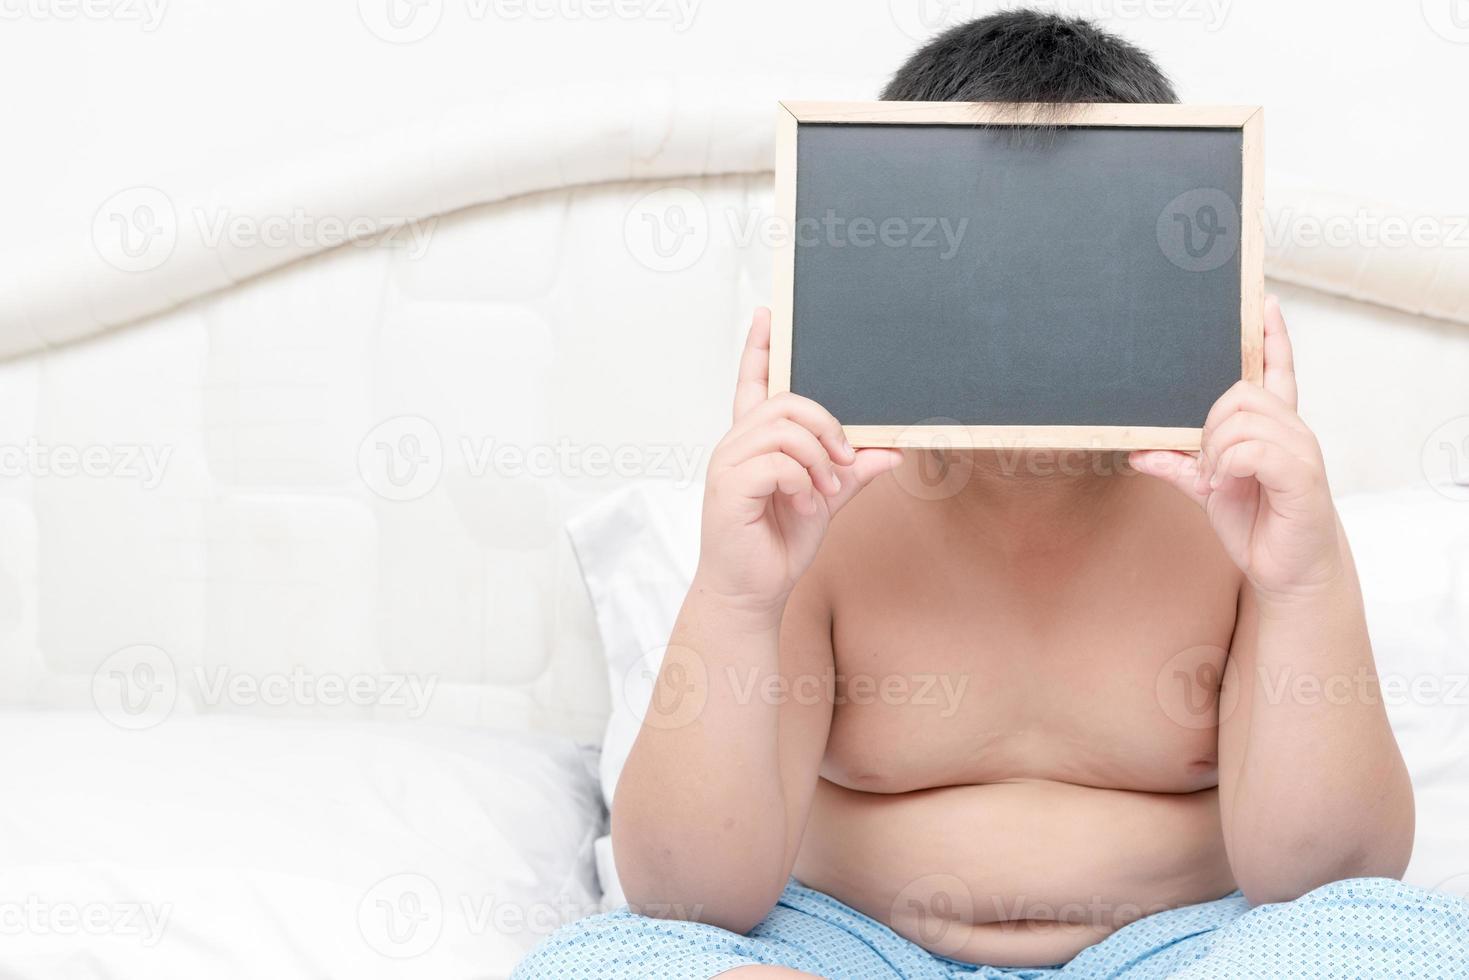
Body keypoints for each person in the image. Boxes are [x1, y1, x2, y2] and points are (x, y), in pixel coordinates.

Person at [516, 11, 1467, 978]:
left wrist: (1298, 583)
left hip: (1180, 951)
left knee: (1402, 951)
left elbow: (1333, 881)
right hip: (843, 948)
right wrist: (736, 592)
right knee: (609, 964)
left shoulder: (1237, 522)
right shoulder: (829, 511)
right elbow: (687, 895)